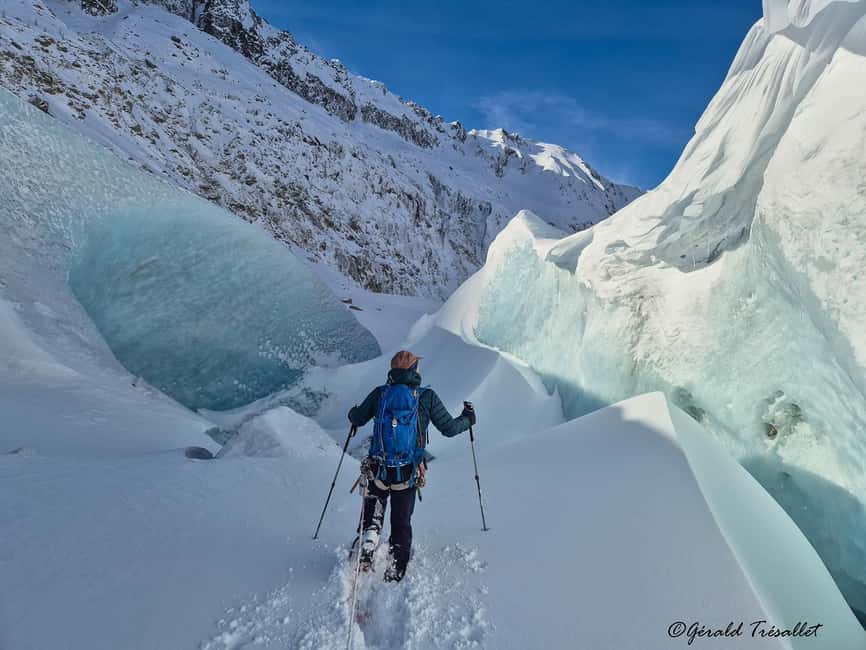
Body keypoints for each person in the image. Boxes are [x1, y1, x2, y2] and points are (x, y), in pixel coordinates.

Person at [347, 349, 476, 582]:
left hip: (378, 467)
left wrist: (353, 412)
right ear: (414, 370)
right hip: (408, 470)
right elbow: (448, 428)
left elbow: (357, 418)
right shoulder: (426, 397)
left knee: (374, 507)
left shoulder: (380, 394)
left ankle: (370, 537)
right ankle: (396, 569)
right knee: (401, 519)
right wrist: (468, 419)